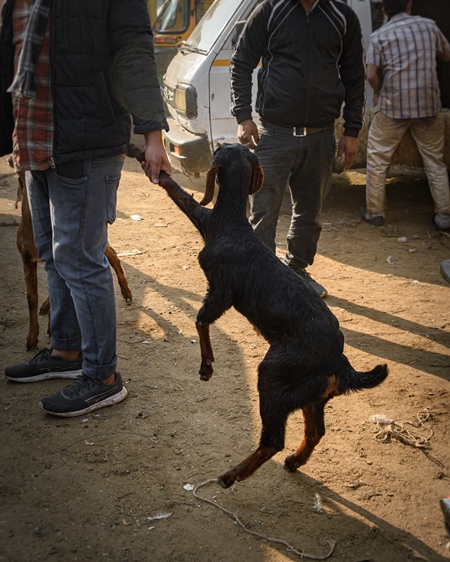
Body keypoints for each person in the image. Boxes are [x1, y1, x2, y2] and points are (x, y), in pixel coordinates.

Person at [0, 0, 171, 417]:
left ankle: (103, 376)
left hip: (87, 138)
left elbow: (134, 51)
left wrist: (152, 134)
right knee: (53, 256)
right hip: (34, 138)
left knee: (81, 260)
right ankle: (66, 349)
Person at [229, 0, 366, 298]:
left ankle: (297, 270)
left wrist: (352, 131)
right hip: (274, 133)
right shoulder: (270, 10)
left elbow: (355, 75)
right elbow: (241, 61)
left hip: (321, 136)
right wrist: (243, 116)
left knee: (309, 212)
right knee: (263, 211)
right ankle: (264, 279)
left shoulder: (342, 17)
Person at [360, 0, 450, 230]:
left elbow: (371, 75)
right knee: (435, 162)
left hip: (394, 107)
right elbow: (446, 55)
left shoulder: (380, 35)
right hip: (429, 107)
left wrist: (379, 91)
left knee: (378, 159)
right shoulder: (429, 26)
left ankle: (375, 212)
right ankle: (444, 216)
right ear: (409, 5)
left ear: (384, 10)